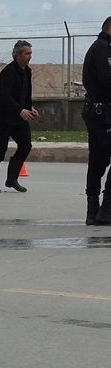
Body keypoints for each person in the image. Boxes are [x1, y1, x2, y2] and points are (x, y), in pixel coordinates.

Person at [0, 40, 38, 194]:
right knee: (0, 149)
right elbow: (4, 96)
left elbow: (25, 94)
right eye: (27, 54)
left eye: (30, 54)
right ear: (17, 55)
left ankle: (12, 179)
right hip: (3, 116)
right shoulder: (8, 72)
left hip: (18, 117)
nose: (30, 57)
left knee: (25, 145)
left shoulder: (27, 71)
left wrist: (29, 108)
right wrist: (19, 110)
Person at [81, 17, 111, 225]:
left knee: (98, 161)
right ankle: (105, 211)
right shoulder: (102, 49)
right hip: (103, 113)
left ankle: (94, 212)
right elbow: (107, 79)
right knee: (98, 161)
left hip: (99, 112)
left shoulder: (101, 47)